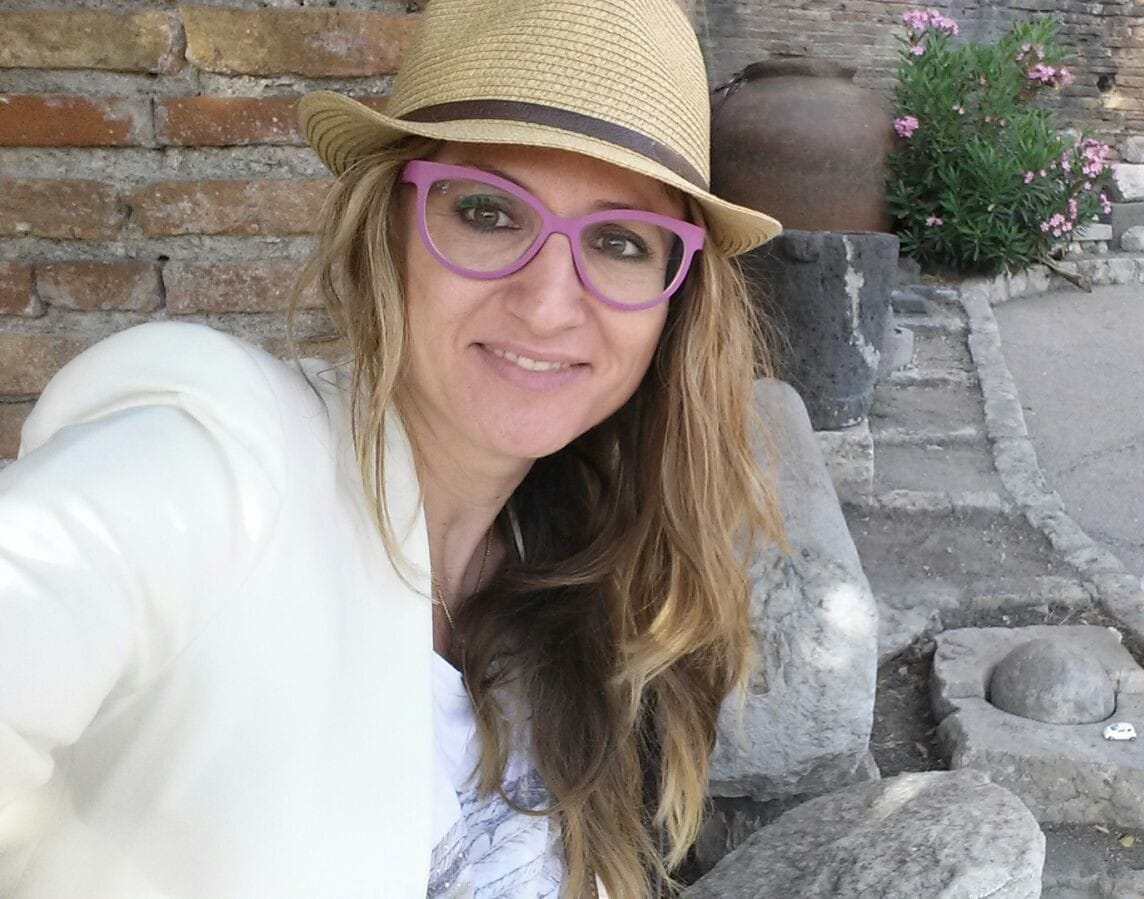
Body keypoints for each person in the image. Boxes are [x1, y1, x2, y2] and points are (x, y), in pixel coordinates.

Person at [0, 0, 784, 896]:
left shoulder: (587, 587)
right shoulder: (220, 455)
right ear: (389, 226)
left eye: (619, 241)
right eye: (487, 211)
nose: (547, 304)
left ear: (674, 301)